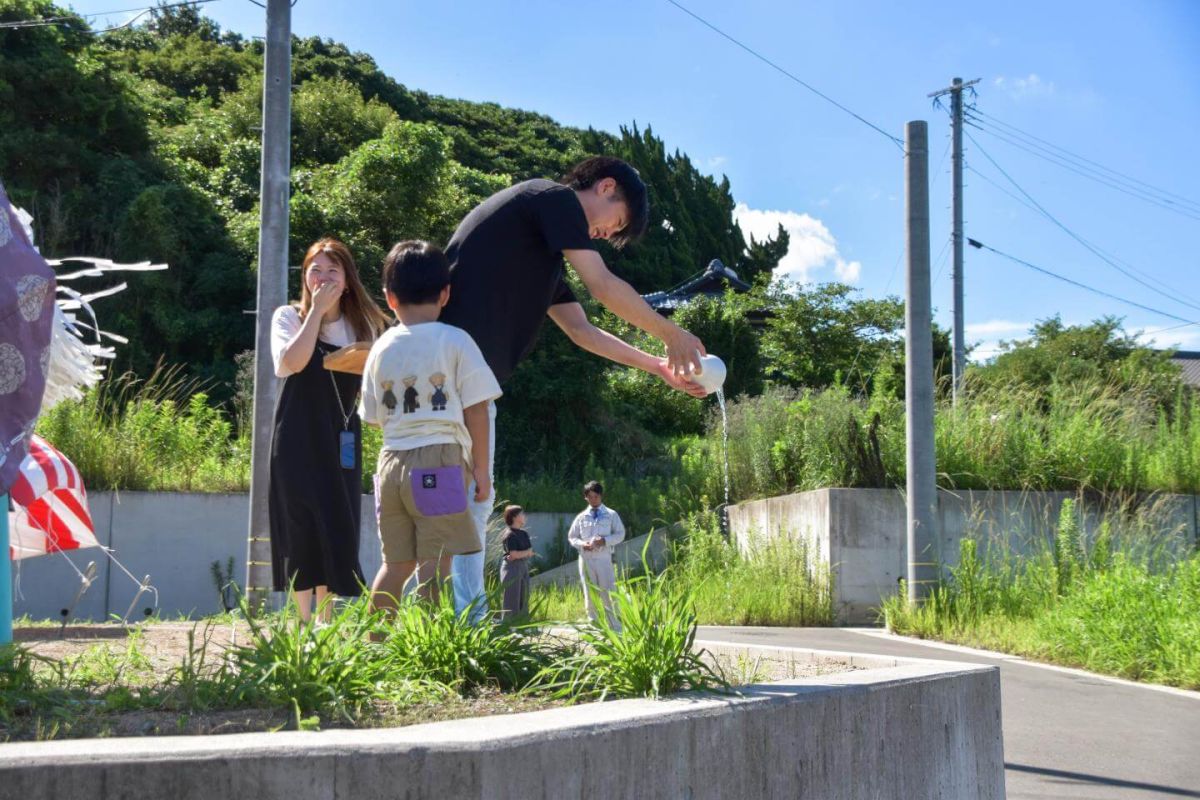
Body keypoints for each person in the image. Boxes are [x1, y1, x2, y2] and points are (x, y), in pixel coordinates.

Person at [440, 156, 707, 620]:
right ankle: (464, 624)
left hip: (469, 382)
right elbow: (602, 284)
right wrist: (672, 333)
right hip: (449, 372)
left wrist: (658, 366)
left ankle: (460, 622)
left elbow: (582, 331)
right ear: (606, 187)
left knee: (470, 500)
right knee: (460, 503)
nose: (607, 235)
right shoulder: (552, 197)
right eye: (616, 222)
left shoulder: (543, 255)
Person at [360, 241, 502, 618]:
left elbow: (373, 415)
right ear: (445, 293)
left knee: (396, 566)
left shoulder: (380, 347)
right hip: (439, 460)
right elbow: (478, 410)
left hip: (389, 463)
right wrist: (482, 473)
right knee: (436, 565)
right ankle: (428, 652)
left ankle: (375, 647)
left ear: (390, 298)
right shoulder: (456, 340)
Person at [269, 238, 390, 624]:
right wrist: (316, 313)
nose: (322, 278)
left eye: (332, 271)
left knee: (337, 519)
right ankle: (303, 622)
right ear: (304, 276)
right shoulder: (288, 316)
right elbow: (290, 363)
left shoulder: (364, 324)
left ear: (348, 279)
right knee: (300, 519)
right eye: (315, 270)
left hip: (341, 434)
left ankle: (325, 620)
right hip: (296, 433)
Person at [567, 481, 626, 630]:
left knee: (608, 591)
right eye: (590, 496)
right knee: (590, 593)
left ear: (601, 496)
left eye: (596, 496)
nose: (593, 499)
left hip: (604, 559)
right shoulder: (581, 517)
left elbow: (620, 534)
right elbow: (572, 537)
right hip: (586, 560)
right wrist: (582, 545)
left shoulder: (611, 514)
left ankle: (615, 626)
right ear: (585, 497)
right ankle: (594, 625)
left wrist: (605, 540)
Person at [498, 505, 534, 620]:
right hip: (511, 569)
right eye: (522, 514)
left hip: (523, 566)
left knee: (524, 596)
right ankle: (509, 626)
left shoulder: (524, 534)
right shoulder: (509, 534)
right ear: (514, 517)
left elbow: (529, 552)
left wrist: (520, 554)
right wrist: (523, 553)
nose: (524, 516)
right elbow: (513, 555)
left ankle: (522, 625)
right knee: (511, 598)